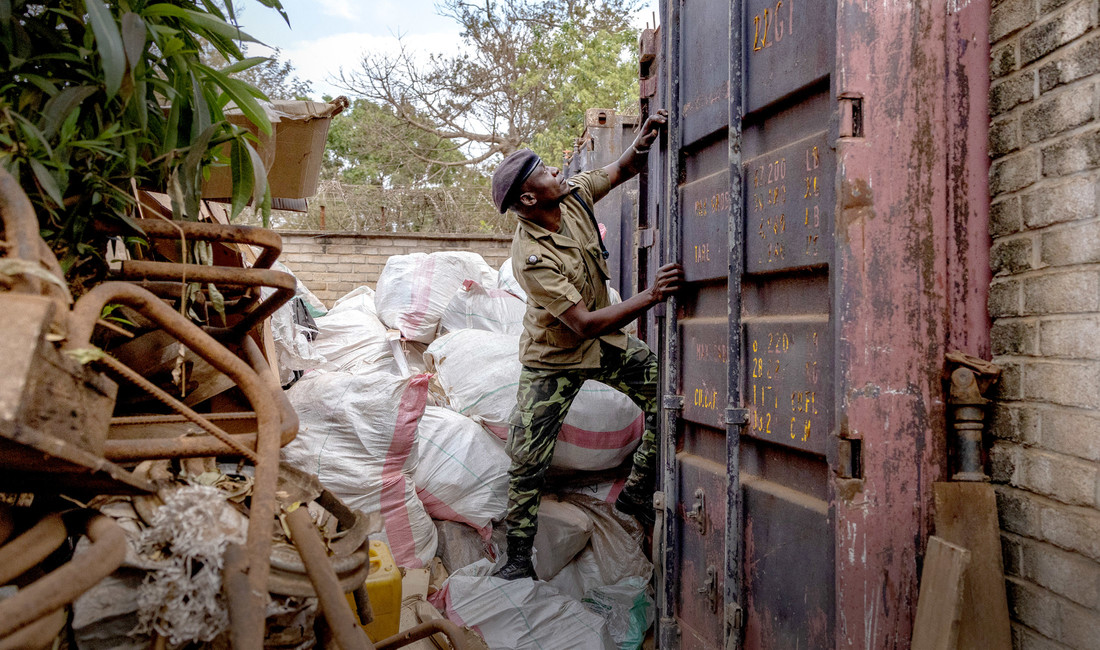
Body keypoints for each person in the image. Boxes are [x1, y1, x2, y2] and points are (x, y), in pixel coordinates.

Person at [489, 109, 684, 580]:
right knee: (528, 458)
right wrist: (652, 296)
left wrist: (642, 141)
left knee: (665, 394)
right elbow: (582, 324)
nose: (559, 170)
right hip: (555, 358)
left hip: (605, 342)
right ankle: (517, 558)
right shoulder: (530, 256)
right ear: (530, 197)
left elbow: (620, 170)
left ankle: (635, 491)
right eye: (546, 171)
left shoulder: (572, 197)